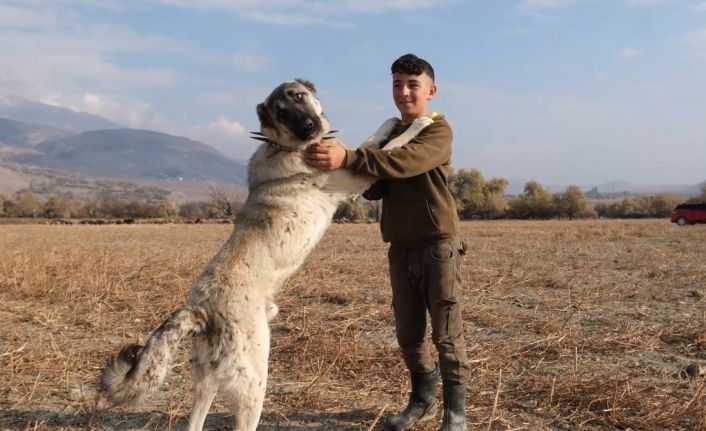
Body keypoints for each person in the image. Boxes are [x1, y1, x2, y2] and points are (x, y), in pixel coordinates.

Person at [305, 53, 470, 431]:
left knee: (447, 332)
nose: (404, 92)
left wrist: (350, 156)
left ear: (431, 90)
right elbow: (375, 188)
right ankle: (422, 401)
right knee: (409, 333)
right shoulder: (389, 135)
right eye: (397, 84)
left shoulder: (437, 132)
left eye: (413, 85)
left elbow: (405, 163)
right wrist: (342, 166)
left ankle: (456, 415)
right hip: (400, 248)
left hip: (437, 246)